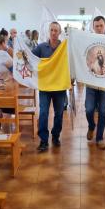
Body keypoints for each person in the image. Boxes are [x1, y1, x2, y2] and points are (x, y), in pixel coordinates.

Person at [32, 22, 66, 152]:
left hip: (59, 87)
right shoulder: (41, 47)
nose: (53, 33)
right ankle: (44, 140)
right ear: (48, 31)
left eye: (56, 30)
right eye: (51, 30)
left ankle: (56, 136)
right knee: (44, 112)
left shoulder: (63, 48)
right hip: (45, 87)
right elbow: (30, 58)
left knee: (59, 114)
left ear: (59, 32)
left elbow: (69, 63)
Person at [85, 16, 105, 150]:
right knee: (89, 109)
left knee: (102, 111)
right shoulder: (88, 40)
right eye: (96, 26)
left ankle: (100, 137)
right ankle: (91, 126)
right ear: (93, 27)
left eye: (101, 26)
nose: (99, 28)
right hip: (90, 82)